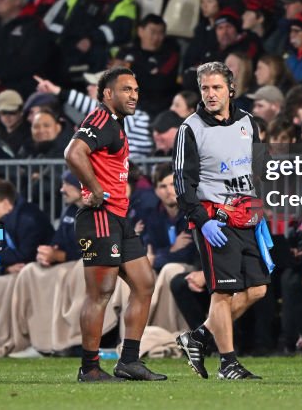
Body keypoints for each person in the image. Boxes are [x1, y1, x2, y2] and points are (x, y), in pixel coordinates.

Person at [63, 67, 165, 383]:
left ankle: (129, 362)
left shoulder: (116, 125)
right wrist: (94, 189)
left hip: (118, 217)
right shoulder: (101, 119)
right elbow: (73, 152)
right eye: (126, 89)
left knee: (145, 282)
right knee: (101, 293)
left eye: (136, 89)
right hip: (100, 217)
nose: (133, 95)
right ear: (108, 94)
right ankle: (89, 368)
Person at [174, 61, 269, 380]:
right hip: (216, 220)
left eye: (216, 87)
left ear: (231, 89)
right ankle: (228, 363)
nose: (211, 94)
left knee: (257, 290)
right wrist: (201, 221)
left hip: (248, 218)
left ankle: (198, 337)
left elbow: (259, 169)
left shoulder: (248, 122)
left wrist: (262, 206)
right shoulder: (190, 128)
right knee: (223, 292)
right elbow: (181, 182)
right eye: (205, 88)